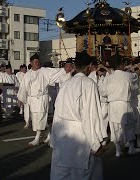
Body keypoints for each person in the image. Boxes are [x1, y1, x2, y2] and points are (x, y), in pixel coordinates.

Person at [50, 51, 106, 180]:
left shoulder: (66, 84)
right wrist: (96, 143)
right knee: (84, 173)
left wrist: (54, 139)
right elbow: (91, 116)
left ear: (74, 66)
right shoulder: (89, 84)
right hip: (81, 137)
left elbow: (57, 112)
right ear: (89, 66)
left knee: (62, 174)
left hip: (62, 136)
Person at [17, 53, 66, 146]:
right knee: (37, 119)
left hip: (42, 98)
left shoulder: (44, 71)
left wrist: (65, 70)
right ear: (31, 63)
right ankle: (50, 136)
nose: (37, 63)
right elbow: (23, 87)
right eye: (35, 62)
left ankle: (37, 138)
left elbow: (57, 72)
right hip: (33, 99)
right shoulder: (28, 74)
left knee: (40, 118)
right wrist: (21, 99)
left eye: (38, 62)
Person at [99, 55, 140, 157]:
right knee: (129, 126)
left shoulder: (108, 78)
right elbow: (136, 83)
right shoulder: (128, 75)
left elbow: (103, 92)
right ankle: (131, 148)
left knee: (114, 127)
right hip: (124, 104)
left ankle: (118, 150)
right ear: (121, 65)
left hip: (112, 105)